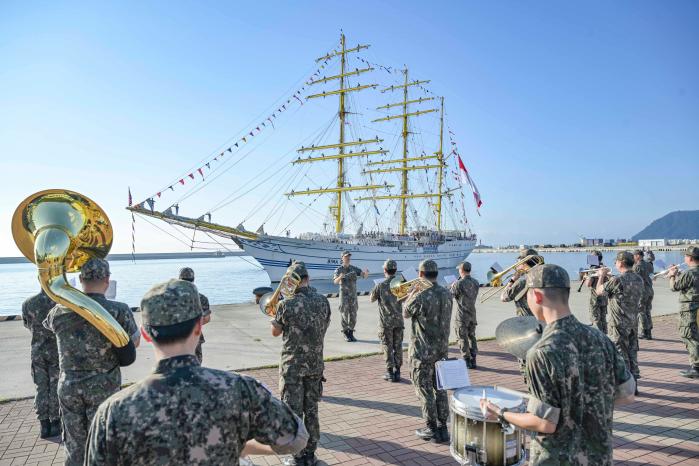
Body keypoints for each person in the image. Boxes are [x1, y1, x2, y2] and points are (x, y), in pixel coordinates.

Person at [85, 279, 308, 465]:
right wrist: (238, 444)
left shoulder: (113, 411)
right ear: (199, 327)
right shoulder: (240, 389)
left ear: (145, 334)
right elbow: (297, 438)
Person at [482, 264, 635, 465]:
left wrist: (499, 412)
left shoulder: (541, 352)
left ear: (536, 296)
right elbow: (628, 393)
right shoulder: (600, 338)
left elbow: (544, 423)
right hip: (599, 458)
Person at [43, 258, 140, 466]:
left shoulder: (59, 310)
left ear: (80, 279)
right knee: (103, 442)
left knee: (74, 444)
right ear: (107, 280)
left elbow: (48, 326)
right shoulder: (119, 310)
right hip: (104, 387)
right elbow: (134, 343)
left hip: (69, 386)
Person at [271, 261, 331, 466]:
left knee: (294, 413)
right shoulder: (324, 301)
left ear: (291, 281)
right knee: (312, 411)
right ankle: (310, 454)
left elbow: (275, 332)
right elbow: (325, 326)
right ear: (308, 279)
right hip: (315, 366)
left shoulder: (286, 304)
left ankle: (297, 456)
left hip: (293, 367)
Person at [403, 259, 453, 443]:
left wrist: (413, 293)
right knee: (440, 388)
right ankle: (443, 427)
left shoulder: (421, 295)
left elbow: (406, 312)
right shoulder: (447, 293)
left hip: (422, 351)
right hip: (442, 350)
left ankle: (431, 427)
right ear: (436, 274)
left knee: (424, 389)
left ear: (421, 274)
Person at [597, 251, 644, 390]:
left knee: (620, 354)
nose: (615, 264)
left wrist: (601, 276)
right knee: (632, 353)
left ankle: (625, 387)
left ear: (621, 263)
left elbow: (599, 291)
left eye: (616, 262)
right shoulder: (638, 279)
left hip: (618, 323)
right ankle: (634, 385)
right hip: (633, 322)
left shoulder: (617, 280)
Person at [21, 288, 60, 438]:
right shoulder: (60, 302)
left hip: (37, 350)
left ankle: (44, 424)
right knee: (55, 385)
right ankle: (55, 422)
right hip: (55, 350)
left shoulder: (28, 303)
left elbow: (27, 324)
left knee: (41, 387)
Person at [369, 259, 404, 382]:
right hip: (399, 321)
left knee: (387, 346)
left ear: (385, 270)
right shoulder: (400, 284)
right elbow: (405, 299)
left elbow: (371, 299)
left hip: (386, 322)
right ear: (395, 270)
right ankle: (398, 371)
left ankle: (390, 372)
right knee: (398, 346)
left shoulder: (380, 285)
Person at [668, 246, 699, 378]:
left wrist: (672, 275)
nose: (684, 258)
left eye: (685, 256)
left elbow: (674, 287)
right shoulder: (691, 273)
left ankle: (696, 367)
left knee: (689, 336)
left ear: (690, 258)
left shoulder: (689, 273)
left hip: (689, 309)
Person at [332, 251, 368, 342]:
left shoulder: (353, 269)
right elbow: (335, 282)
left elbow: (363, 276)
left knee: (353, 314)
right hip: (344, 296)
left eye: (349, 257)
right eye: (346, 257)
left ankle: (351, 333)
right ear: (342, 258)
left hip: (353, 296)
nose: (348, 258)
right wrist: (340, 277)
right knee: (344, 314)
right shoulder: (338, 270)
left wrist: (366, 273)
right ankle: (345, 333)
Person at [450, 261, 480, 369]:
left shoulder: (458, 283)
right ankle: (474, 358)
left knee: (462, 337)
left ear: (461, 270)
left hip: (462, 315)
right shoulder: (476, 282)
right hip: (472, 313)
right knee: (472, 336)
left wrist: (452, 286)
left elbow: (450, 296)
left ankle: (467, 360)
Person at [178, 267, 211, 363]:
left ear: (179, 279)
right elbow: (207, 318)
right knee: (196, 366)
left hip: (176, 337)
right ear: (193, 279)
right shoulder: (202, 298)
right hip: (195, 336)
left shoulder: (172, 297)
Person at [501, 248, 542, 317]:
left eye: (519, 262)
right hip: (542, 320)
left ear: (524, 262)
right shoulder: (543, 276)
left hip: (526, 321)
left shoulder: (522, 281)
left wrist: (513, 280)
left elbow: (503, 297)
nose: (517, 264)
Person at [585, 251, 609, 334]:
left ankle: (600, 341)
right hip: (604, 297)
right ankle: (605, 338)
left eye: (592, 257)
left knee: (596, 320)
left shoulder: (593, 269)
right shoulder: (604, 267)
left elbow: (588, 284)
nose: (589, 258)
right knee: (603, 319)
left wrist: (586, 277)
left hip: (595, 298)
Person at [633, 250, 654, 340]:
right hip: (649, 290)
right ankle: (648, 331)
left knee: (641, 311)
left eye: (634, 255)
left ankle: (644, 331)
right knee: (647, 311)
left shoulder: (637, 266)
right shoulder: (649, 264)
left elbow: (634, 279)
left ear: (638, 256)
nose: (633, 257)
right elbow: (651, 273)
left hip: (642, 291)